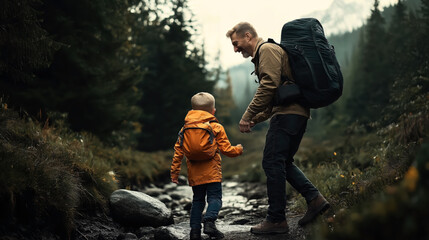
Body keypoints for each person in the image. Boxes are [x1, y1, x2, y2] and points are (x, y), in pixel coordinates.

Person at [225, 22, 330, 234]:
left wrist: (247, 115)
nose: (235, 49)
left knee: (272, 161)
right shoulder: (268, 52)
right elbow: (277, 96)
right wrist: (258, 118)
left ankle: (276, 220)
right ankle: (315, 200)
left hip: (289, 115)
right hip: (296, 113)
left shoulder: (267, 50)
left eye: (236, 43)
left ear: (248, 35)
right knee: (283, 161)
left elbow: (269, 85)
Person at [170, 92, 243, 240]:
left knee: (197, 201)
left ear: (192, 110)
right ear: (213, 111)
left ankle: (194, 233)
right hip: (212, 172)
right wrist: (239, 149)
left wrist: (175, 173)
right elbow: (227, 150)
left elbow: (178, 152)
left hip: (194, 174)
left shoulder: (184, 129)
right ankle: (209, 221)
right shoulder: (215, 126)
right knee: (215, 198)